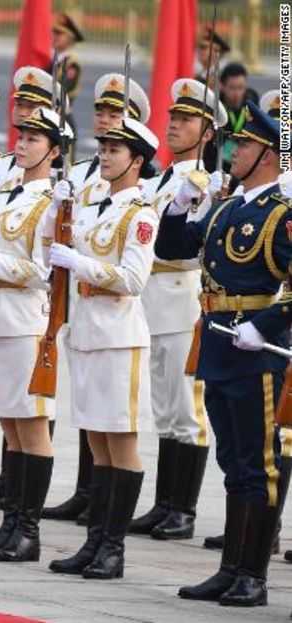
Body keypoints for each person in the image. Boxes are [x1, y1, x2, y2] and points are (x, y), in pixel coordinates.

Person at [158, 101, 290, 607]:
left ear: (269, 155)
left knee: (261, 463)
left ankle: (252, 575)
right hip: (218, 345)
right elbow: (172, 249)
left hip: (256, 353)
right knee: (234, 461)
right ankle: (230, 568)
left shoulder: (280, 213)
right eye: (233, 143)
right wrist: (178, 205)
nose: (232, 151)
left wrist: (265, 324)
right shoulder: (229, 206)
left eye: (244, 145)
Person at [47, 116, 160, 580]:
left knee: (121, 442)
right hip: (88, 336)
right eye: (104, 147)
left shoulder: (140, 216)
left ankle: (113, 548)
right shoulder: (94, 209)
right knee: (96, 440)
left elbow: (133, 280)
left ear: (136, 161)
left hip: (119, 338)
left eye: (115, 150)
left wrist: (82, 264)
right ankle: (94, 541)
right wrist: (55, 216)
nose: (105, 155)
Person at [0, 107, 69, 561]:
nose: (22, 144)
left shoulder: (53, 202)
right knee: (9, 424)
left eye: (34, 139)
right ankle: (10, 524)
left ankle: (28, 530)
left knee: (31, 425)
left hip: (28, 320)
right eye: (21, 136)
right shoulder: (8, 194)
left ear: (55, 150)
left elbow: (44, 270)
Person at [129, 79, 226, 541]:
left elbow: (192, 247)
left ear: (207, 133)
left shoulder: (208, 184)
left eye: (185, 120)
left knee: (188, 410)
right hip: (150, 300)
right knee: (164, 409)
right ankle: (164, 502)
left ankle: (183, 509)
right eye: (172, 117)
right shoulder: (158, 180)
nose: (173, 125)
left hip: (180, 296)